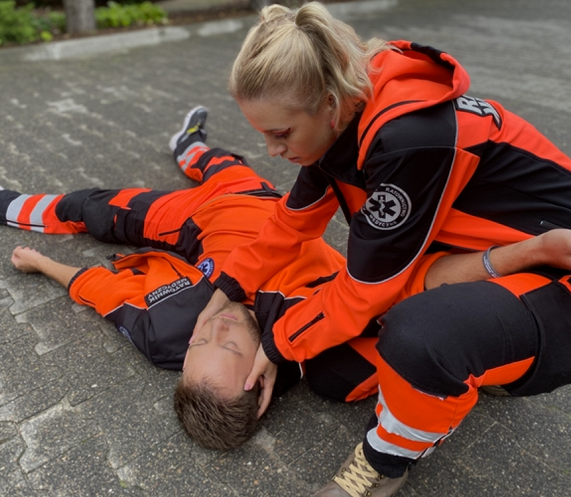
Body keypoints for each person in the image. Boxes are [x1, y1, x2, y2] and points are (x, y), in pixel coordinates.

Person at [0, 110, 571, 465]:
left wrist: (39, 265)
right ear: (259, 392)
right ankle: (181, 147)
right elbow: (424, 319)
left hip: (200, 231)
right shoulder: (332, 362)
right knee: (126, 197)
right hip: (273, 215)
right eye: (225, 344)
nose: (215, 322)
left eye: (204, 334)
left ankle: (1, 201)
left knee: (118, 202)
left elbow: (98, 289)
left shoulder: (168, 337)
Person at [191, 3, 571, 495]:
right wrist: (223, 291)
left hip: (559, 269)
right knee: (333, 369)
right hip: (494, 254)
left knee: (418, 338)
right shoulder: (345, 120)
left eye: (280, 133)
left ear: (328, 104)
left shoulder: (407, 139)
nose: (271, 152)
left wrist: (276, 343)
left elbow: (364, 291)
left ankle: (387, 461)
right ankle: (479, 355)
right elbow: (291, 224)